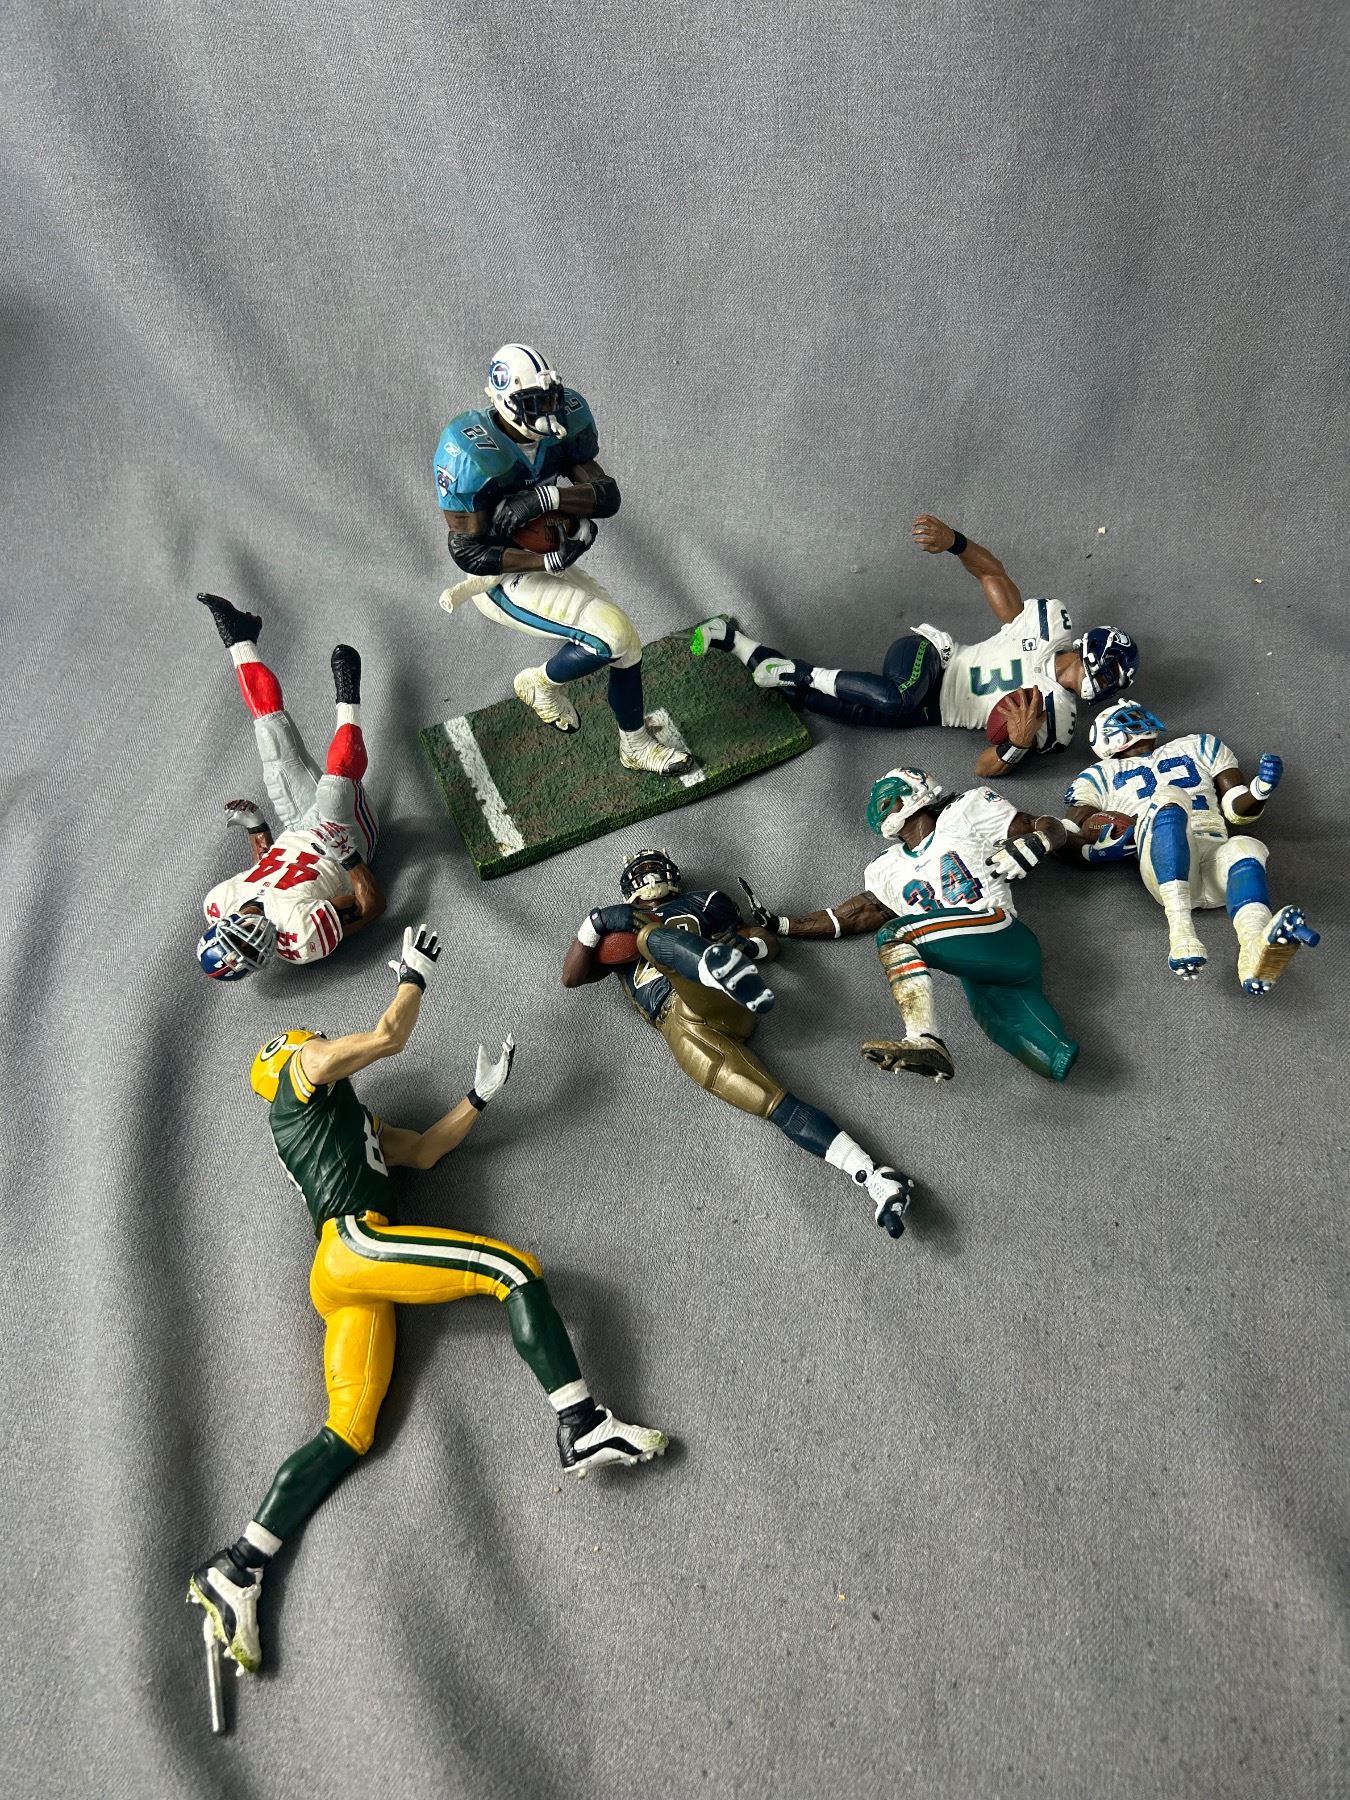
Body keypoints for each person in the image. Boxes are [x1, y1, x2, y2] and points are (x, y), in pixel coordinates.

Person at [188, 924, 668, 1679]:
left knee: (349, 1430)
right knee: (512, 1271)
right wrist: (413, 973)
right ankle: (581, 1425)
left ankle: (240, 1564)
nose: (317, 1042)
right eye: (307, 1042)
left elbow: (426, 1149)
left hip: (340, 1274)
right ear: (286, 1058)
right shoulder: (299, 1076)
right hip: (354, 1242)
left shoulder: (344, 1121)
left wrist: (478, 1097)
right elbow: (386, 1036)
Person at [562, 850, 915, 1238]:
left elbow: (767, 942)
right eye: (640, 869)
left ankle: (710, 968)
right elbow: (571, 977)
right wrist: (593, 925)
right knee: (774, 1105)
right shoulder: (613, 930)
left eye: (654, 866)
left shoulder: (704, 902)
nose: (649, 875)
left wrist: (749, 946)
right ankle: (874, 1176)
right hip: (677, 1028)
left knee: (648, 938)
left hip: (715, 999)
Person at [691, 514, 1137, 778]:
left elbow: (983, 767)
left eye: (1113, 683)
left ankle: (736, 642)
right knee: (895, 696)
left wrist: (1016, 745)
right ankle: (802, 670)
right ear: (1091, 648)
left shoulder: (1058, 722)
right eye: (1108, 672)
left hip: (930, 712)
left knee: (816, 704)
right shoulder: (1045, 626)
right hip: (932, 658)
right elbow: (992, 574)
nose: (1104, 685)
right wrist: (955, 542)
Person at [435, 344, 692, 775]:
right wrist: (545, 561)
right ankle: (538, 683)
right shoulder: (469, 451)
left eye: (550, 399)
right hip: (503, 574)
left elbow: (606, 496)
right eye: (533, 404)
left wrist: (548, 499)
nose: (548, 412)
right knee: (612, 636)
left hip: (545, 554)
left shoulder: (567, 418)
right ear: (502, 400)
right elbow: (468, 551)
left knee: (626, 645)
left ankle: (633, 744)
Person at [762, 769, 1078, 1083]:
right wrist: (783, 925)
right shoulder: (886, 869)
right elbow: (849, 916)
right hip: (977, 969)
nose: (877, 806)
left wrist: (1041, 839)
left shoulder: (964, 813)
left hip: (1001, 935)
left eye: (886, 796)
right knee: (1044, 1054)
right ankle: (1055, 1057)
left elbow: (1046, 825)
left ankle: (924, 1038)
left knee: (898, 934)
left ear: (915, 791)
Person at [1063, 702, 1318, 991]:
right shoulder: (1098, 775)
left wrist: (1260, 791)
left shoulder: (1200, 745)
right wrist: (1094, 850)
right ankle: (1181, 933)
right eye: (1129, 718)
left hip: (1214, 854)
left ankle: (1255, 947)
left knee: (1246, 846)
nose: (1140, 718)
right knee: (1170, 796)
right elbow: (1070, 832)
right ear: (1110, 738)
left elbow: (1236, 811)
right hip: (1161, 862)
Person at [196, 592, 384, 978]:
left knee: (271, 739)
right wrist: (349, 856)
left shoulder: (219, 902)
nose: (254, 940)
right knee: (334, 791)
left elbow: (264, 872)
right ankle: (348, 701)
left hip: (295, 826)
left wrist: (257, 829)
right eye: (252, 951)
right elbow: (372, 907)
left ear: (222, 925)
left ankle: (241, 640)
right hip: (344, 840)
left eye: (241, 940)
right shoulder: (299, 939)